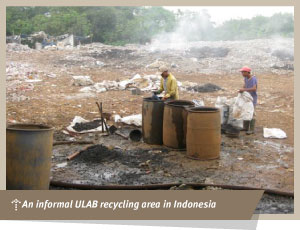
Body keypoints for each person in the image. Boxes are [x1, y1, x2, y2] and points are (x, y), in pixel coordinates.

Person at [239, 66, 258, 135]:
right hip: (247, 97)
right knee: (246, 111)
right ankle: (245, 127)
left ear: (247, 72)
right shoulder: (245, 78)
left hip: (252, 97)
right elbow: (244, 85)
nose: (242, 74)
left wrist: (244, 90)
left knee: (251, 112)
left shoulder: (253, 79)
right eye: (242, 72)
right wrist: (241, 90)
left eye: (243, 72)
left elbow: (254, 88)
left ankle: (252, 129)